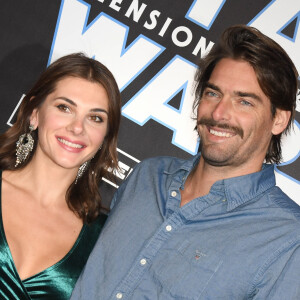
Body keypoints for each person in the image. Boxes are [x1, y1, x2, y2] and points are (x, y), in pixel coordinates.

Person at [71, 25, 300, 299]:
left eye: (244, 102)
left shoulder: (287, 239)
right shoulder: (148, 175)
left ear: (279, 120)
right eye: (213, 93)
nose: (219, 113)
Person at [0, 53, 121, 299]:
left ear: (105, 137)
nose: (77, 127)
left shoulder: (102, 237)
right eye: (64, 108)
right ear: (34, 113)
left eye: (95, 118)